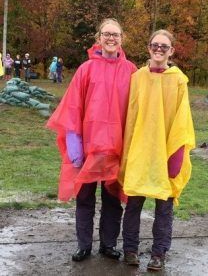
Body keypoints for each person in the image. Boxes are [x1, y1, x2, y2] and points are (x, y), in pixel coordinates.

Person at [46, 18, 137, 262]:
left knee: (112, 200)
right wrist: (75, 144)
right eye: (107, 34)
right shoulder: (86, 69)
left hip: (116, 149)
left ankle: (108, 244)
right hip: (89, 149)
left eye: (115, 34)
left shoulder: (131, 70)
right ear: (98, 38)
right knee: (85, 198)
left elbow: (137, 109)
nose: (111, 38)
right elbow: (73, 106)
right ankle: (84, 245)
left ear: (121, 39)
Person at [119, 29, 195, 270]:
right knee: (133, 204)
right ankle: (130, 250)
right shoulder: (138, 77)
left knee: (164, 207)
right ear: (149, 48)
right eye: (155, 45)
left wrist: (177, 156)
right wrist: (128, 149)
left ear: (171, 51)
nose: (159, 49)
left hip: (166, 151)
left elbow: (182, 121)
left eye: (164, 46)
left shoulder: (179, 80)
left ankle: (159, 253)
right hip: (141, 150)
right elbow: (131, 115)